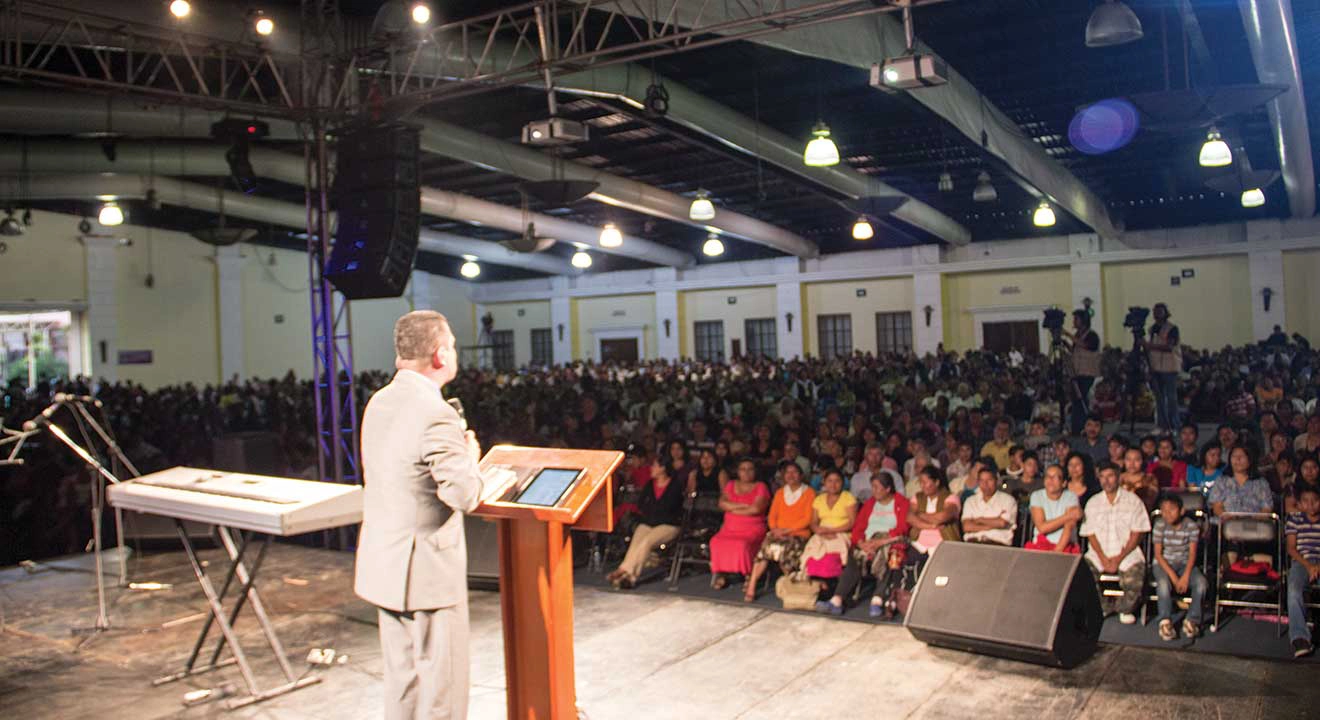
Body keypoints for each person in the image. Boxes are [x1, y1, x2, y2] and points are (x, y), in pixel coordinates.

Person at [356, 310, 485, 720]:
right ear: (439, 354)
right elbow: (464, 494)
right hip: (427, 571)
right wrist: (471, 459)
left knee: (403, 686)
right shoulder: (437, 412)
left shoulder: (378, 401)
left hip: (385, 565)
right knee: (441, 693)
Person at [823, 470, 911, 617]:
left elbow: (903, 527)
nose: (873, 491)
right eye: (873, 487)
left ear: (888, 489)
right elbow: (858, 527)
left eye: (877, 487)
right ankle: (837, 599)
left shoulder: (901, 503)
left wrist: (881, 542)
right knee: (855, 556)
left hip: (890, 541)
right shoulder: (870, 504)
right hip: (869, 541)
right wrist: (861, 543)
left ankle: (877, 600)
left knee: (891, 557)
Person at [1081, 461, 1151, 624]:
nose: (1106, 481)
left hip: (1127, 553)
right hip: (1099, 554)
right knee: (1082, 574)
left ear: (1118, 478)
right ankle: (1103, 607)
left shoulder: (1133, 501)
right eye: (1102, 477)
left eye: (1110, 476)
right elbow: (1089, 533)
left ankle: (1123, 609)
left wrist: (1119, 558)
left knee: (1136, 578)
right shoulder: (1092, 502)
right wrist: (1103, 558)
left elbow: (1137, 533)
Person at [608, 460, 686, 589]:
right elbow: (642, 504)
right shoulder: (650, 484)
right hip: (649, 523)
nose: (651, 468)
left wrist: (654, 510)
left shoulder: (674, 486)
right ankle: (626, 574)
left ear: (663, 468)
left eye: (654, 466)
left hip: (669, 525)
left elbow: (671, 508)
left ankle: (628, 574)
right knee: (638, 537)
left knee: (647, 541)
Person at [746, 462, 816, 601]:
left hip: (798, 534)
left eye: (794, 472)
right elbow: (772, 516)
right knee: (765, 549)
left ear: (801, 475)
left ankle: (790, 587)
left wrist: (788, 530)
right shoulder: (779, 493)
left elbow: (808, 518)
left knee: (785, 549)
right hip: (778, 533)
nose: (791, 475)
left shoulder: (809, 493)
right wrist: (775, 529)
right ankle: (752, 585)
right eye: (787, 472)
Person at [1151, 493, 1208, 641]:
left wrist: (1185, 576)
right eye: (1164, 510)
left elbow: (1192, 554)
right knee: (1163, 584)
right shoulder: (1159, 525)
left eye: (1172, 509)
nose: (1167, 514)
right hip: (1164, 564)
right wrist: (1175, 578)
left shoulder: (1191, 526)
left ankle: (1192, 620)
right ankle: (1165, 621)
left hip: (1184, 564)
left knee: (1201, 583)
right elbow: (1158, 555)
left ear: (1181, 511)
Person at [709, 458, 771, 591]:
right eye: (743, 469)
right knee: (716, 541)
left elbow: (756, 509)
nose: (746, 472)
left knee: (742, 544)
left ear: (755, 471)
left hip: (752, 528)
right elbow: (722, 504)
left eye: (750, 469)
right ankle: (722, 573)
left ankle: (749, 575)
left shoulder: (761, 486)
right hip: (729, 528)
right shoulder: (731, 484)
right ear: (738, 471)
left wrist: (733, 508)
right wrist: (744, 506)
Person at [805, 469, 858, 614]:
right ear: (824, 483)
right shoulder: (819, 499)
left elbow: (852, 522)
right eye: (830, 481)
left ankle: (835, 596)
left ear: (843, 483)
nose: (833, 484)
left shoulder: (848, 498)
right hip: (822, 533)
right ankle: (822, 593)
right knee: (813, 555)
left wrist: (832, 531)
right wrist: (819, 530)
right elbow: (813, 522)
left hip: (841, 533)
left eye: (837, 481)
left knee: (831, 557)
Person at [1285, 486, 1320, 657]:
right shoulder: (1295, 519)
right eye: (1305, 501)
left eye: (1315, 501)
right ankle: (1300, 637)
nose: (1311, 505)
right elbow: (1291, 548)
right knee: (1293, 589)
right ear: (1299, 504)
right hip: (1301, 562)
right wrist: (1308, 565)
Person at [1024, 464, 1082, 553]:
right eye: (1048, 476)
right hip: (1041, 544)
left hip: (1065, 545)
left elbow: (1069, 526)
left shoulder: (1071, 496)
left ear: (1064, 483)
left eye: (1055, 477)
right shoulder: (1037, 496)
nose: (1050, 480)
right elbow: (1042, 528)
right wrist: (1068, 516)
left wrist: (1057, 550)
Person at [906, 465, 961, 558]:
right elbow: (910, 518)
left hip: (943, 544)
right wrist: (932, 526)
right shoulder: (917, 497)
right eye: (921, 482)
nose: (922, 486)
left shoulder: (951, 498)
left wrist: (920, 515)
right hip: (919, 545)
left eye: (925, 482)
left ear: (936, 482)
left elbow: (942, 517)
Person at [1062, 308, 1102, 434]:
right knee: (1075, 401)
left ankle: (1084, 426)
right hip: (1077, 372)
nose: (1074, 321)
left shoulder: (1091, 335)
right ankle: (1076, 427)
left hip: (1087, 372)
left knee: (1082, 400)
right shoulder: (1078, 336)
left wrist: (1068, 335)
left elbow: (1087, 346)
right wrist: (1065, 344)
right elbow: (1076, 351)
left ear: (1083, 321)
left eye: (1076, 319)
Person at [1208, 446, 1274, 519]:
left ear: (1249, 460)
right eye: (1234, 456)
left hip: (1255, 526)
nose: (1238, 459)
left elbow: (1267, 509)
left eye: (1242, 456)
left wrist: (1252, 522)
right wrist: (1231, 520)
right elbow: (1217, 508)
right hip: (1227, 524)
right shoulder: (1221, 481)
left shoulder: (1261, 483)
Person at [1147, 302, 1183, 433]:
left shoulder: (1172, 328)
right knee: (1159, 398)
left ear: (1165, 313)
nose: (1157, 314)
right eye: (1155, 311)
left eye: (1160, 311)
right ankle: (1162, 424)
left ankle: (1174, 425)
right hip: (1156, 367)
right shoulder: (1152, 329)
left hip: (1169, 367)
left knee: (1171, 398)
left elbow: (1169, 346)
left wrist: (1149, 346)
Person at [961, 467, 1018, 545]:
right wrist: (991, 525)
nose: (985, 484)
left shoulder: (1008, 500)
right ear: (978, 482)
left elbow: (1002, 523)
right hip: (973, 543)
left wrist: (979, 520)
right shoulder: (970, 501)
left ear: (996, 481)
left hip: (998, 544)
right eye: (982, 480)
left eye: (989, 480)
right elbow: (967, 527)